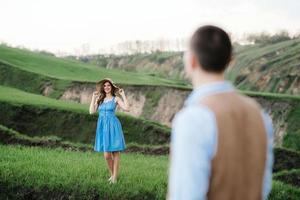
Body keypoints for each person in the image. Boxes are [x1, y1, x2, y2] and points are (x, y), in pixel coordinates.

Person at [167, 25, 274, 200]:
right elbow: (263, 186)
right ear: (230, 62)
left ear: (192, 61)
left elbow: (186, 195)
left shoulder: (193, 118)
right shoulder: (260, 115)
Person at [89, 78, 129, 184]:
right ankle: (113, 175)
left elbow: (126, 108)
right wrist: (93, 98)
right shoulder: (100, 99)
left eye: (108, 85)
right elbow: (91, 111)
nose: (106, 87)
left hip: (113, 126)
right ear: (103, 87)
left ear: (111, 87)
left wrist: (123, 95)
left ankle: (114, 178)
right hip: (103, 127)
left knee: (115, 152)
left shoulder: (115, 99)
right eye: (105, 85)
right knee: (107, 155)